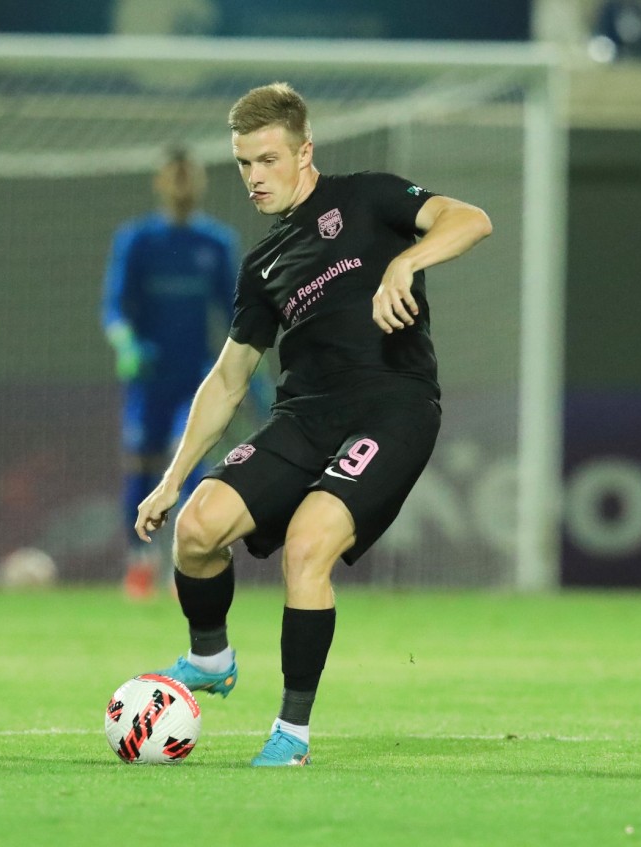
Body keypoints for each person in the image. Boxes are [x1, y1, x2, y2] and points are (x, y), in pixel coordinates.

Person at [133, 82, 492, 766]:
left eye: (268, 160)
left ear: (305, 152)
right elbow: (229, 377)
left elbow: (470, 219)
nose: (254, 177)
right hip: (305, 415)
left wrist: (406, 262)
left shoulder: (369, 197)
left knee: (306, 545)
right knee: (198, 528)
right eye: (244, 163)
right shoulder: (262, 265)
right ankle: (209, 657)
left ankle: (291, 733)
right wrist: (172, 479)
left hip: (392, 408)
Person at [101, 147, 241, 599]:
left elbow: (237, 314)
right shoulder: (138, 240)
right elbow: (114, 307)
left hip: (196, 377)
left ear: (200, 183)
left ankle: (188, 564)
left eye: (189, 176)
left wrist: (248, 372)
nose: (182, 185)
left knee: (193, 464)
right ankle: (139, 561)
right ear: (160, 182)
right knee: (142, 466)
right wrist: (126, 343)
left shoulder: (216, 243)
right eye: (174, 176)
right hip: (149, 376)